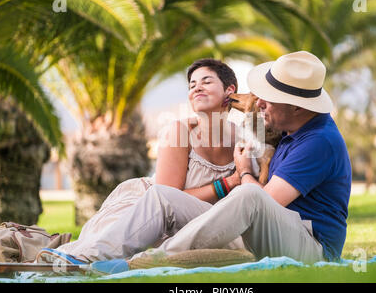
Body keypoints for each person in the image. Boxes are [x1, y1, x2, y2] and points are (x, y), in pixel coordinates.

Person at [122, 50, 352, 266]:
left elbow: (265, 202)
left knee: (249, 194)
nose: (260, 103)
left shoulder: (318, 142)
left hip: (313, 248)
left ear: (297, 108)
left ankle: (155, 259)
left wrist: (243, 172)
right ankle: (92, 259)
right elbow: (252, 111)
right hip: (273, 233)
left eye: (269, 99)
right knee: (164, 196)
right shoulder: (292, 129)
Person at [36, 58, 245, 264]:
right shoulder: (181, 131)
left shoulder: (245, 137)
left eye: (206, 82)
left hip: (200, 219)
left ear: (230, 90)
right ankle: (75, 257)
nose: (197, 88)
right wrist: (228, 183)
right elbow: (168, 196)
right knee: (98, 242)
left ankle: (82, 257)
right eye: (192, 85)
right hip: (146, 207)